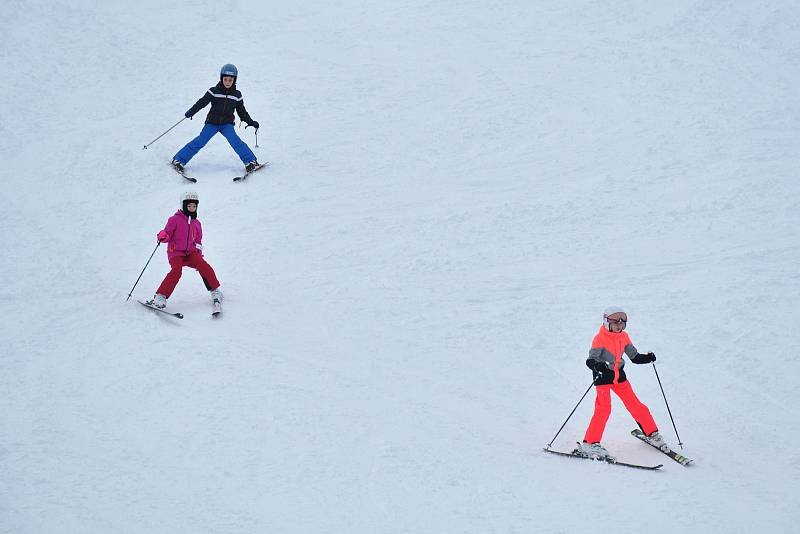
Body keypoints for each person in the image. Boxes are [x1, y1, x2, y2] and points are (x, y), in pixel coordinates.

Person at [577, 307, 663, 461]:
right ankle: (590, 443)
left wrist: (647, 358)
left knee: (636, 404)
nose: (619, 326)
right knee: (603, 410)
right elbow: (590, 360)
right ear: (606, 322)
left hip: (619, 377)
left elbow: (634, 357)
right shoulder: (600, 338)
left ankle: (651, 432)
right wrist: (597, 366)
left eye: (622, 323)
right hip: (603, 377)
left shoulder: (624, 337)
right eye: (616, 322)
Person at [171, 64, 261, 173]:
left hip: (227, 124)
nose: (227, 82)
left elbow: (242, 111)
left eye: (230, 80)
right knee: (200, 141)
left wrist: (250, 122)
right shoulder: (213, 91)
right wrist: (192, 111)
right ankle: (179, 160)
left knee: (235, 141)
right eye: (225, 79)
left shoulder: (237, 95)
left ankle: (251, 162)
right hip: (212, 123)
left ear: (234, 80)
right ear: (221, 78)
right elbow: (202, 102)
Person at [148, 192, 223, 309]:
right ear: (183, 206)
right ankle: (160, 296)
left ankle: (215, 291)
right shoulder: (174, 220)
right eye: (189, 206)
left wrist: (198, 255)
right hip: (176, 253)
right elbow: (167, 233)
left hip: (190, 253)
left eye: (194, 206)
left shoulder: (197, 223)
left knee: (203, 265)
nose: (192, 208)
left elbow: (198, 241)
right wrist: (163, 236)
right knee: (176, 271)